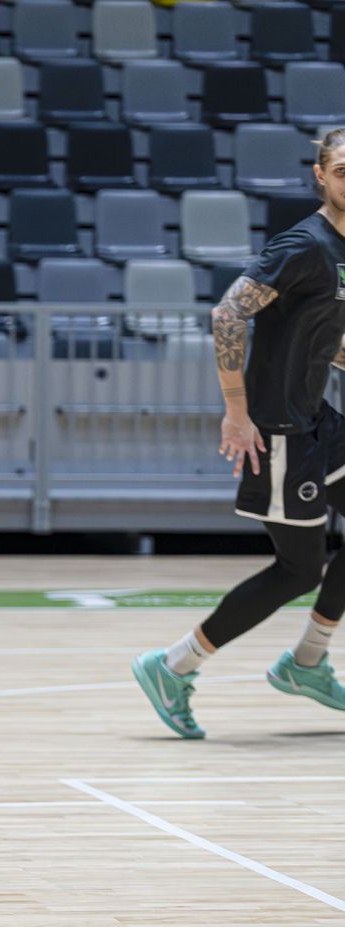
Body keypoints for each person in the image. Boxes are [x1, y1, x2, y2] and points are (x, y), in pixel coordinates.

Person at [133, 128, 345, 738]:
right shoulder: (304, 244)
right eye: (342, 169)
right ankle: (173, 666)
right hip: (277, 429)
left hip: (317, 418)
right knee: (299, 570)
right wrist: (236, 411)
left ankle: (306, 662)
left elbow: (322, 339)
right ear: (320, 175)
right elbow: (228, 313)